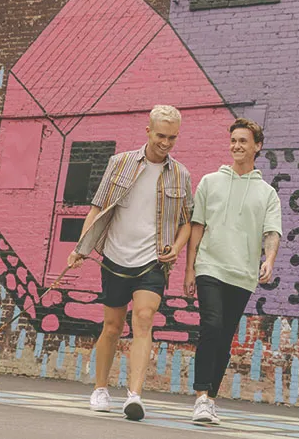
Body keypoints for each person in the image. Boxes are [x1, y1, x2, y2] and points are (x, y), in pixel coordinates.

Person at [68, 105, 193, 420]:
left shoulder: (181, 174)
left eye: (173, 137)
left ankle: (135, 395)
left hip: (152, 261)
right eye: (161, 135)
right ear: (148, 131)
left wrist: (176, 248)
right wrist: (81, 247)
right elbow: (98, 208)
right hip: (115, 257)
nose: (166, 143)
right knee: (112, 326)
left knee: (144, 319)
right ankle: (100, 388)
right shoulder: (120, 163)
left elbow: (187, 222)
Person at [184, 118, 282, 424]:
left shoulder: (267, 193)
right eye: (233, 141)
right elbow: (196, 227)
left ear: (257, 146)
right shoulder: (210, 182)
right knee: (211, 325)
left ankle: (210, 399)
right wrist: (190, 269)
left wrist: (269, 260)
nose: (236, 146)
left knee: (225, 336)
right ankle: (201, 395)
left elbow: (272, 232)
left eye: (243, 141)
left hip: (242, 274)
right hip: (209, 266)